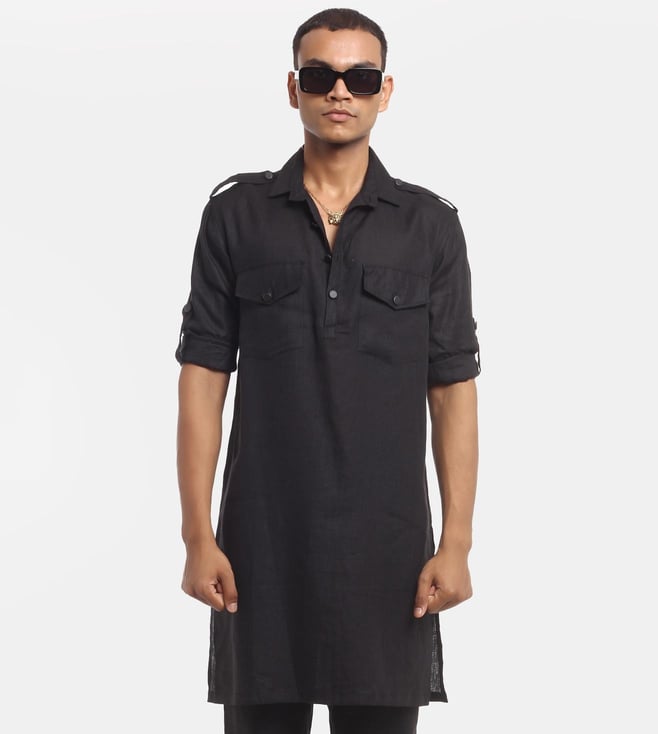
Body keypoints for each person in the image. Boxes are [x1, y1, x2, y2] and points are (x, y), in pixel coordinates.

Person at [175, 8, 480, 734]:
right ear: (294, 88)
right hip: (260, 547)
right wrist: (196, 536)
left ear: (385, 92)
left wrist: (457, 543)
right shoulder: (236, 217)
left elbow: (453, 391)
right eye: (320, 76)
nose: (340, 91)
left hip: (389, 552)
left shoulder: (430, 226)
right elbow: (203, 380)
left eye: (360, 77)